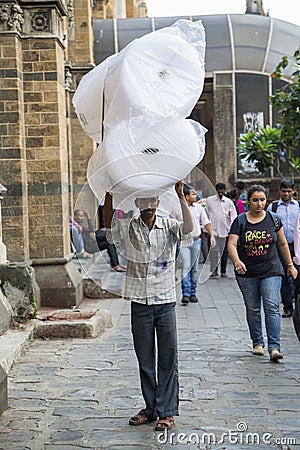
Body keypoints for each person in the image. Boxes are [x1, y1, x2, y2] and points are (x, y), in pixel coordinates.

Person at [104, 181, 193, 431]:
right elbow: (110, 231)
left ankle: (167, 411)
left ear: (158, 202)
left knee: (168, 357)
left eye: (152, 201)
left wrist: (181, 196)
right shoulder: (130, 227)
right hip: (139, 301)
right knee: (144, 358)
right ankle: (151, 407)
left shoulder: (169, 226)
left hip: (164, 300)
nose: (148, 206)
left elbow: (189, 230)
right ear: (137, 204)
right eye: (143, 201)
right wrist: (109, 196)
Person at [228, 185, 298, 361]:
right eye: (255, 200)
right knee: (253, 309)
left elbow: (282, 244)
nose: (259, 204)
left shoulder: (274, 219)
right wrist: (237, 261)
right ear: (249, 201)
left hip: (271, 270)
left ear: (267, 200)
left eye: (262, 200)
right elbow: (231, 244)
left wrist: (290, 265)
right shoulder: (240, 221)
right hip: (247, 272)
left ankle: (274, 347)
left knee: (272, 307)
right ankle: (257, 343)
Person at [172, 185, 216, 304]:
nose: (195, 196)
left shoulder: (199, 208)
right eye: (192, 194)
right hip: (183, 241)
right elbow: (171, 224)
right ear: (186, 196)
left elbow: (206, 222)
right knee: (186, 266)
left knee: (195, 268)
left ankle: (193, 292)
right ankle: (185, 293)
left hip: (196, 240)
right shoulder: (176, 209)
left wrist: (211, 235)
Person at [267, 178, 300, 318]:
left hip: (297, 246)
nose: (286, 194)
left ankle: (297, 306)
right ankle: (287, 307)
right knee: (283, 276)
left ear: (293, 191)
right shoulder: (273, 208)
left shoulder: (298, 206)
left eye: (289, 191)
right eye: (284, 191)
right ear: (279, 191)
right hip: (279, 246)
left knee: (297, 276)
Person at [205, 183, 237, 278]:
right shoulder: (209, 200)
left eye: (222, 192)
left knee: (224, 252)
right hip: (213, 231)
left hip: (225, 231)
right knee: (213, 252)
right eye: (218, 192)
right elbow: (206, 214)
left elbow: (233, 216)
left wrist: (232, 230)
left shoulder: (228, 202)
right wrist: (206, 229)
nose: (220, 194)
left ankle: (223, 271)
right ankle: (214, 271)